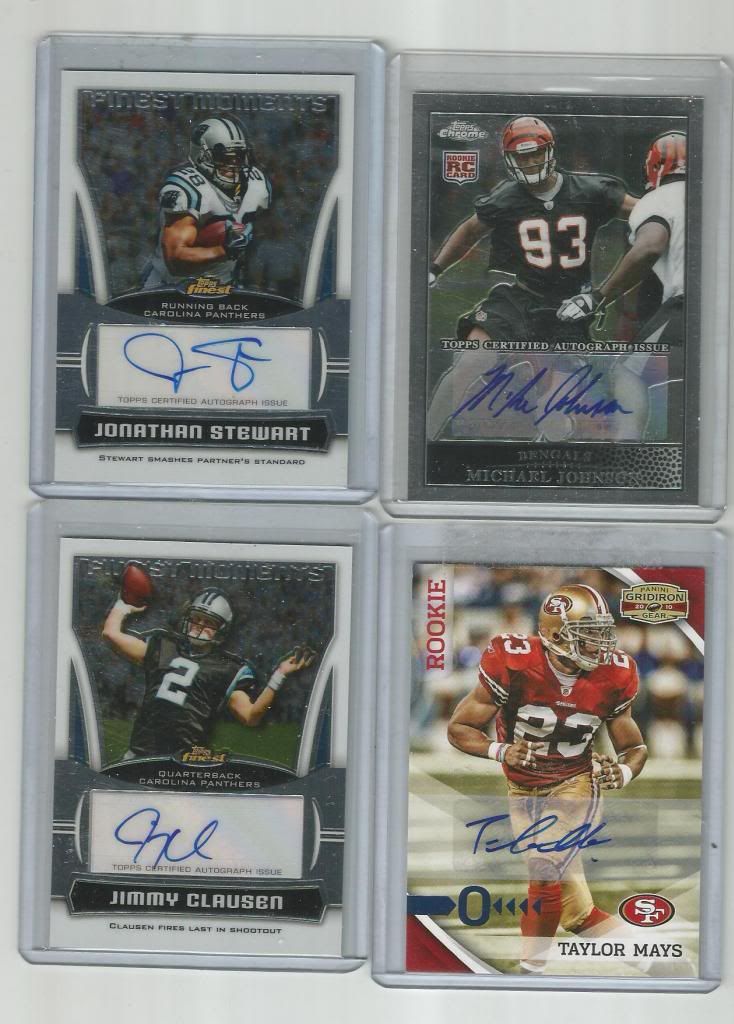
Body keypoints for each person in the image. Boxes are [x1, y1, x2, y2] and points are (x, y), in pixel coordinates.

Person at [447, 583, 647, 974]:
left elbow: (634, 747)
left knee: (543, 867)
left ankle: (527, 975)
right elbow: (459, 728)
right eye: (588, 633)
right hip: (522, 786)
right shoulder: (513, 660)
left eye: (602, 632)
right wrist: (501, 750)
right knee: (576, 913)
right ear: (556, 634)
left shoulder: (616, 673)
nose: (600, 644)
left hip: (575, 781)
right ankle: (658, 960)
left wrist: (622, 771)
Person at [427, 115, 638, 440]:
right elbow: (470, 231)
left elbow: (647, 213)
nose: (530, 162)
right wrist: (436, 268)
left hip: (570, 309)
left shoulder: (590, 190)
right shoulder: (508, 197)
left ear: (550, 151)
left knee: (553, 418)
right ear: (510, 159)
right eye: (522, 156)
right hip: (519, 299)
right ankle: (422, 441)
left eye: (535, 153)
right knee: (469, 363)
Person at [557, 131, 687, 440]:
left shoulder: (659, 199)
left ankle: (628, 455)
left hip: (688, 303)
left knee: (628, 373)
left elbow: (649, 246)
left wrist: (598, 297)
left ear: (654, 168)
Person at [102, 584, 314, 759]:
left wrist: (280, 675)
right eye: (196, 618)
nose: (200, 625)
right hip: (140, 755)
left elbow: (251, 716)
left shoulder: (227, 668)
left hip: (185, 762)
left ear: (222, 629)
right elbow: (110, 634)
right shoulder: (164, 646)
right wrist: (123, 606)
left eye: (209, 622)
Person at [142, 115, 271, 289]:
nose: (234, 164)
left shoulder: (256, 183)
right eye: (225, 157)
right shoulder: (188, 189)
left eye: (238, 156)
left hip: (223, 286)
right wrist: (223, 250)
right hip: (171, 288)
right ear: (202, 155)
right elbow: (174, 260)